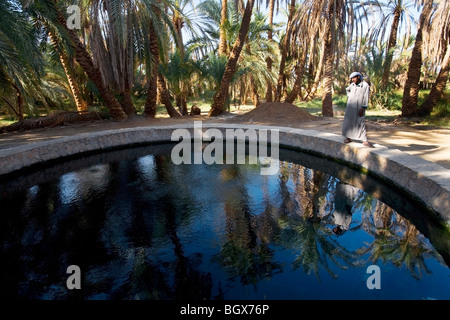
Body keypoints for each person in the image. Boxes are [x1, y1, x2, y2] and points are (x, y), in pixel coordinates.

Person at [342, 72, 374, 148]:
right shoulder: (352, 85)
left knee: (360, 121)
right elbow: (347, 90)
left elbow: (366, 97)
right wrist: (349, 96)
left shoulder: (365, 85)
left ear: (358, 77)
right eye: (352, 78)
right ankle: (348, 138)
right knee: (348, 121)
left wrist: (363, 108)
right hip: (350, 107)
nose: (352, 80)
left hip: (359, 107)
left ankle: (364, 140)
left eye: (354, 78)